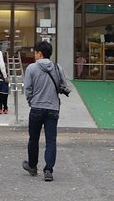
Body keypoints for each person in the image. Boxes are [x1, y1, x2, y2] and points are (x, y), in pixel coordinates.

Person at [22, 41, 67, 182]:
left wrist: (31, 100)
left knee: (33, 139)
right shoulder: (57, 68)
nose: (34, 55)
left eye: (35, 52)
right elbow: (63, 85)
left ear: (39, 53)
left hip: (36, 108)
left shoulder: (31, 68)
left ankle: (33, 166)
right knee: (51, 141)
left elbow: (28, 89)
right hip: (53, 108)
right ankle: (48, 170)